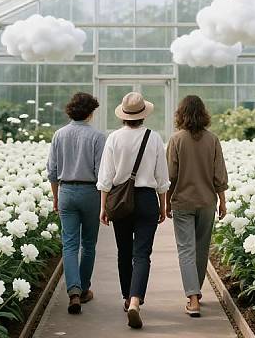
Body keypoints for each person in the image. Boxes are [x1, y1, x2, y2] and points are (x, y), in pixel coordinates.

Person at [98, 92, 170, 329]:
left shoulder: (114, 138)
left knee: (124, 251)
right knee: (142, 254)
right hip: (147, 198)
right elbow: (162, 176)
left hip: (120, 200)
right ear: (143, 115)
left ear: (124, 115)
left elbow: (106, 177)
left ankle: (127, 297)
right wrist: (163, 203)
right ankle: (136, 301)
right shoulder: (154, 138)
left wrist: (103, 207)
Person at [166, 95, 228, 318]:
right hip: (207, 202)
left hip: (182, 202)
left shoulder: (176, 140)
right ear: (204, 113)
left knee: (186, 249)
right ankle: (196, 292)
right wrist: (223, 201)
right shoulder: (212, 140)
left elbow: (170, 176)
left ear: (180, 114)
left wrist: (166, 202)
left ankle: (192, 297)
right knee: (201, 249)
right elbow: (219, 174)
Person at [47, 93, 106, 315]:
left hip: (66, 191)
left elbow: (52, 171)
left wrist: (55, 197)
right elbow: (103, 174)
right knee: (88, 244)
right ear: (90, 113)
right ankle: (83, 290)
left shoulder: (59, 135)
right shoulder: (98, 137)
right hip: (90, 192)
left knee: (69, 244)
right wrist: (104, 204)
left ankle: (73, 291)